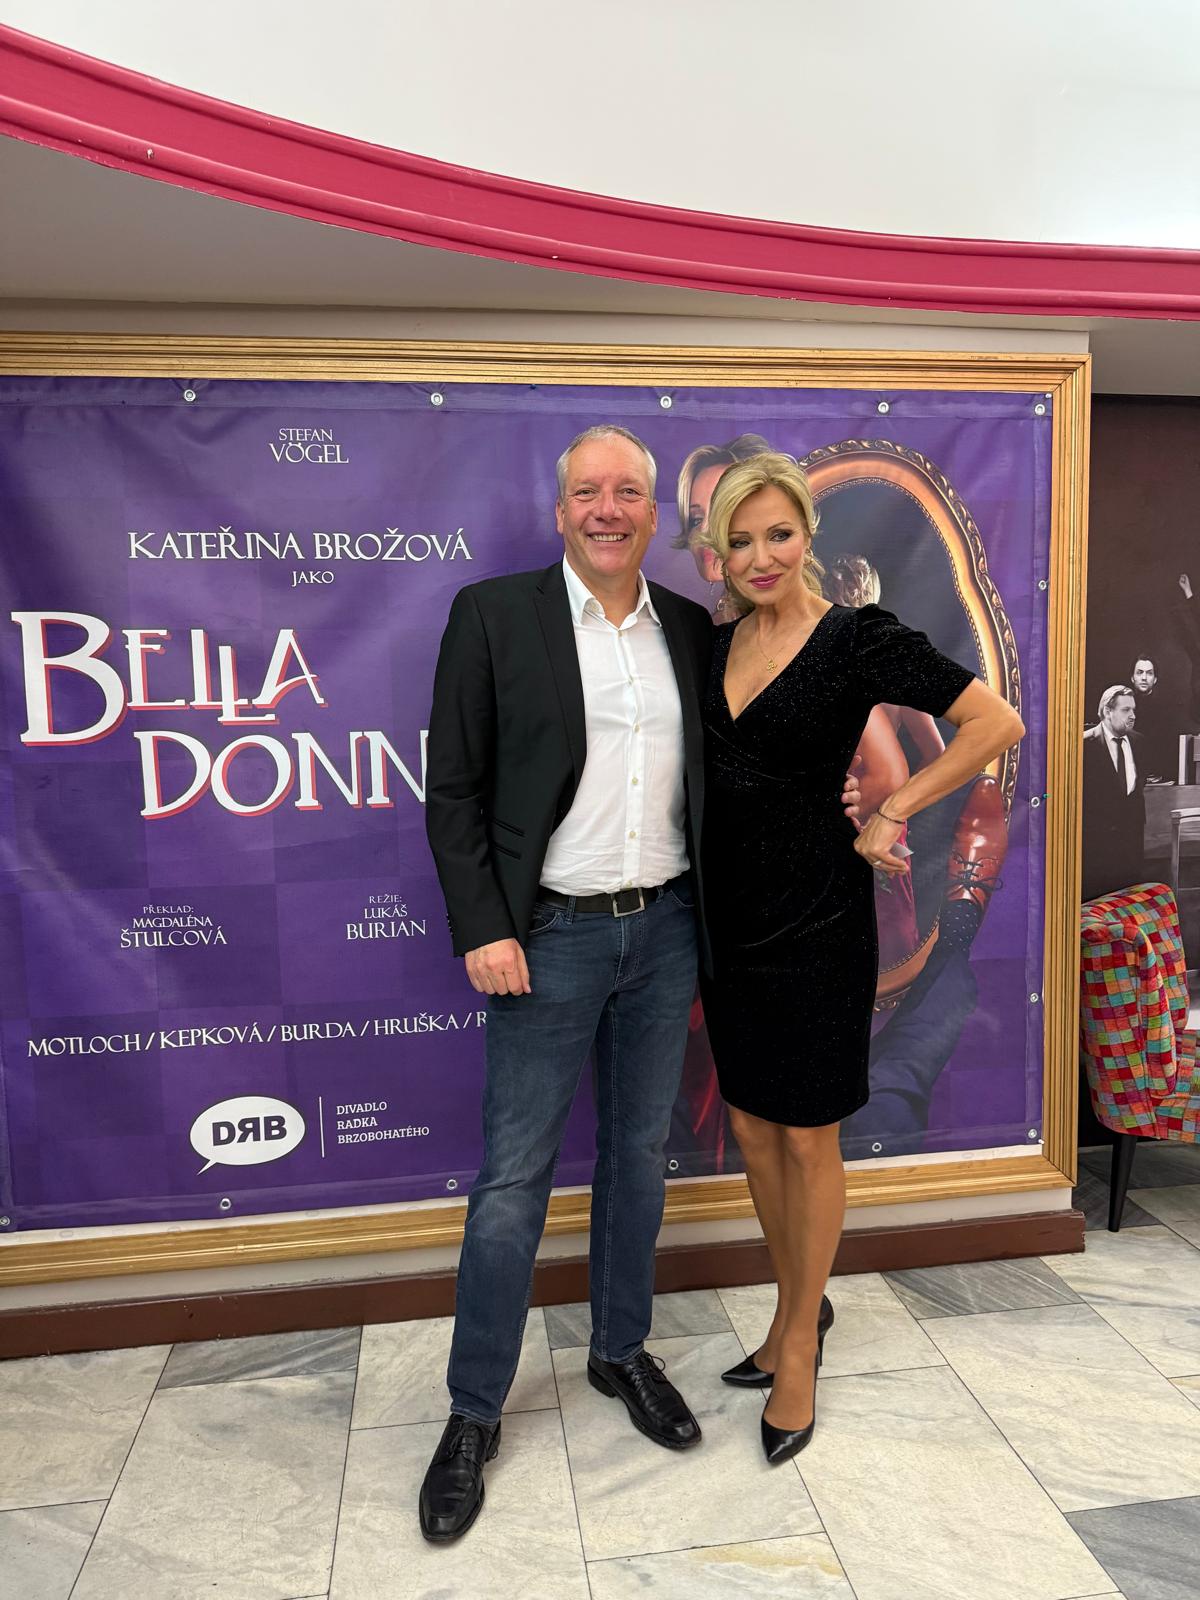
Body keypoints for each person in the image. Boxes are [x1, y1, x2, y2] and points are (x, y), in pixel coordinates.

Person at [692, 453, 1023, 1464]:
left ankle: (799, 1339)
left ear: (807, 535)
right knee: (752, 1128)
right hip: (730, 924)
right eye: (739, 540)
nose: (760, 556)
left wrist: (892, 808)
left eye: (777, 534)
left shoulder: (854, 638)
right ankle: (798, 1304)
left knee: (807, 1138)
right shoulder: (712, 646)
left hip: (820, 924)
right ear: (717, 552)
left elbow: (995, 722)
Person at [419, 425, 713, 1543]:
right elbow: (454, 789)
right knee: (512, 1182)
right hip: (546, 939)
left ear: (653, 514)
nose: (607, 508)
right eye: (588, 490)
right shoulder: (495, 615)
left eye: (628, 491)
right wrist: (485, 927)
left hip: (667, 930)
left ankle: (618, 1352)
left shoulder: (689, 627)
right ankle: (473, 1411)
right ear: (560, 511)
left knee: (639, 1156)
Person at [673, 433, 773, 621]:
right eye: (696, 519)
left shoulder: (813, 624)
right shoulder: (712, 626)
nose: (703, 531)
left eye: (721, 512)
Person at [1082, 684, 1147, 901]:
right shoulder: (1084, 744)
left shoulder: (1139, 742)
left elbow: (1138, 787)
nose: (1132, 716)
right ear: (1107, 711)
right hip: (1097, 851)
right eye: (1126, 710)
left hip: (1131, 846)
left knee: (1129, 905)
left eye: (1133, 710)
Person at [1130, 655, 1176, 784]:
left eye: (1149, 673)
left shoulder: (1166, 710)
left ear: (1155, 679)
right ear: (1132, 678)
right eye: (1139, 672)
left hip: (1157, 779)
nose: (1144, 677)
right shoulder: (1122, 707)